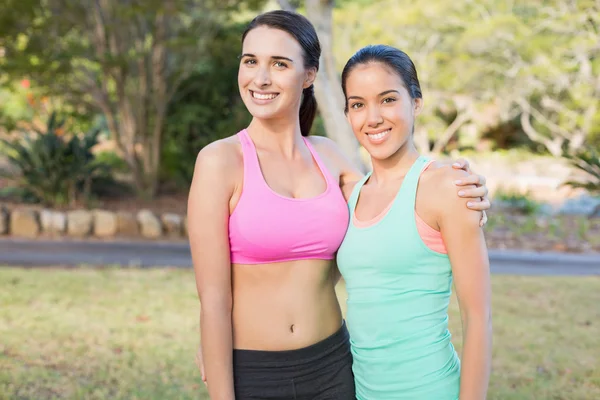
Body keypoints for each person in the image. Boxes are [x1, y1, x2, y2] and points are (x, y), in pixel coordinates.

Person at [187, 11, 490, 400]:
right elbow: (213, 300)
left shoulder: (330, 159)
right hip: (254, 370)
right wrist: (215, 351)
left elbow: (391, 201)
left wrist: (471, 187)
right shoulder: (218, 161)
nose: (261, 78)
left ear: (309, 75)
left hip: (334, 368)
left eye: (279, 63)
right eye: (250, 61)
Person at [336, 44, 492, 400]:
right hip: (361, 392)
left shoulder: (447, 186)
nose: (373, 117)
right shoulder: (349, 193)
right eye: (358, 104)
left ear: (416, 103)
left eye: (388, 99)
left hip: (430, 389)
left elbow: (478, 317)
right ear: (348, 114)